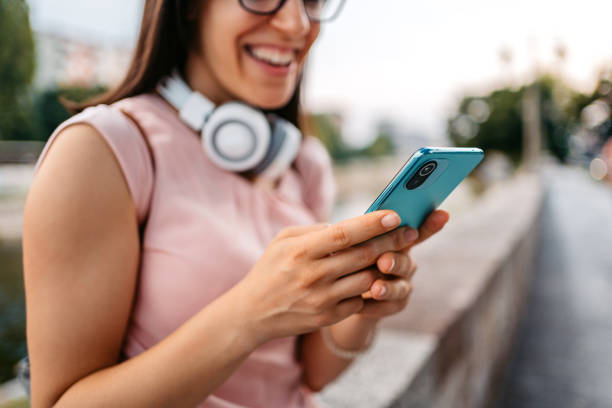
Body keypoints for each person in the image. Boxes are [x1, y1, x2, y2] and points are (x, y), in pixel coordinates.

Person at [22, 0, 449, 407]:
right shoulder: (100, 150)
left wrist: (362, 304)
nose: (298, 23)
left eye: (312, 0)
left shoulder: (305, 165)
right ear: (189, 5)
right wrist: (250, 313)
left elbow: (310, 375)